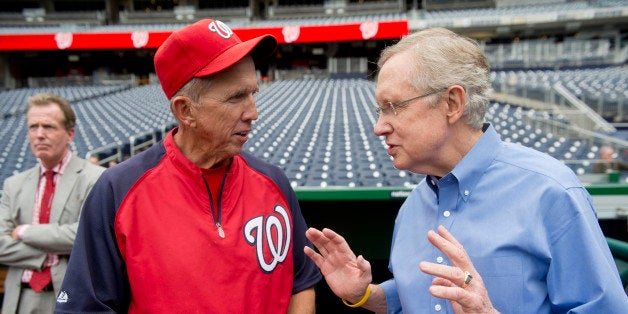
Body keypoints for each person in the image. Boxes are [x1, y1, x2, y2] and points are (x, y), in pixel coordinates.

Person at [304, 28, 628, 313]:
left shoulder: (550, 191)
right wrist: (366, 295)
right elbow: (418, 298)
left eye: (394, 106)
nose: (379, 127)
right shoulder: (412, 208)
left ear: (452, 104)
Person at [55, 19, 322, 313]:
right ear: (185, 111)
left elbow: (301, 282)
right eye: (236, 97)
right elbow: (86, 307)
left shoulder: (274, 182)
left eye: (252, 94)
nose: (253, 112)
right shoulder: (117, 190)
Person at [0, 93, 105, 313]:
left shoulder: (97, 178)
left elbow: (83, 236)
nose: (39, 135)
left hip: (68, 298)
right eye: (33, 127)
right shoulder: (13, 184)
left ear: (69, 134)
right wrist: (48, 255)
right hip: (19, 299)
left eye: (48, 127)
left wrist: (25, 232)